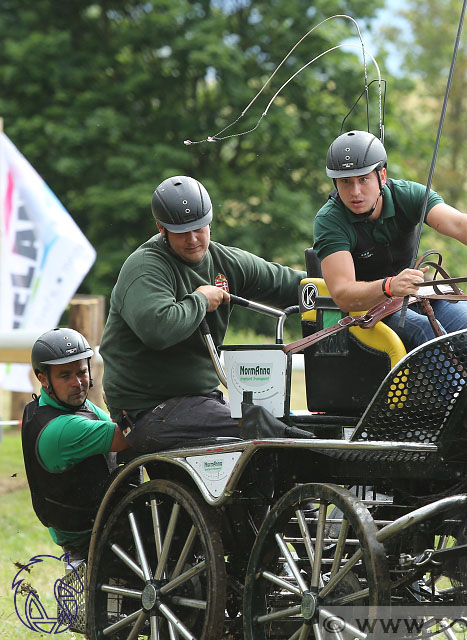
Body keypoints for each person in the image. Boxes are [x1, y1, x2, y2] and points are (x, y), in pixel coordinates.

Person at [100, 175, 306, 453]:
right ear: (161, 228)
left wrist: (351, 287)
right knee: (264, 428)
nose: (193, 239)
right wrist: (199, 300)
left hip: (203, 402)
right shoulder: (145, 267)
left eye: (199, 228)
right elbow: (158, 329)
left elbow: (290, 284)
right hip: (149, 411)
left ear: (210, 221)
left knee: (290, 423)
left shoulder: (226, 262)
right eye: (182, 231)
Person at [313, 130, 467, 350]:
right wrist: (390, 286)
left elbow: (458, 224)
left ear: (382, 177)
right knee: (428, 334)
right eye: (346, 182)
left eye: (364, 179)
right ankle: (456, 386)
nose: (355, 192)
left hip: (418, 296)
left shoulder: (407, 194)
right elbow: (343, 295)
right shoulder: (329, 220)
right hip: (367, 311)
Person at [21, 328, 129, 560]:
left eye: (82, 372)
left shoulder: (68, 403)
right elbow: (125, 437)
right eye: (65, 375)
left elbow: (110, 423)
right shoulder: (61, 431)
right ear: (43, 379)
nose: (77, 383)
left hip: (99, 519)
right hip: (89, 535)